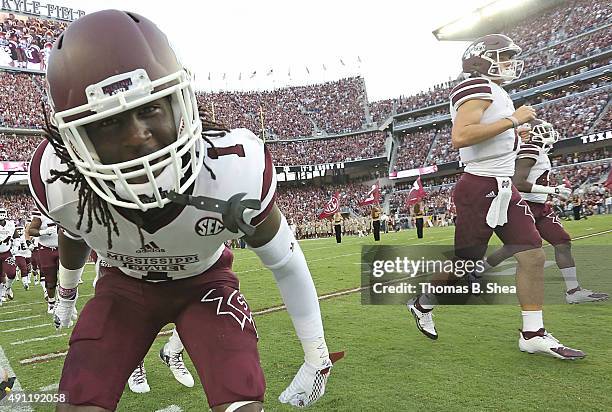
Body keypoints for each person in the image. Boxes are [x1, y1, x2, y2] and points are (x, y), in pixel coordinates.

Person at [29, 10, 337, 411]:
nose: (138, 135)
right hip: (124, 287)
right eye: (108, 123)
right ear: (75, 140)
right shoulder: (60, 180)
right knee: (78, 401)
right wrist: (67, 295)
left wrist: (316, 351)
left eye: (150, 108)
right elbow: (74, 234)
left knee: (242, 402)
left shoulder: (231, 171)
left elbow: (285, 261)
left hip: (205, 283)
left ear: (179, 102)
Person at [407, 34, 585, 359]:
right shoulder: (476, 86)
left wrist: (513, 132)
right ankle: (422, 303)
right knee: (464, 265)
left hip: (504, 186)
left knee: (532, 255)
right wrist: (514, 119)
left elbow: (490, 135)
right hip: (480, 185)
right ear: (481, 59)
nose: (509, 62)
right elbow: (461, 136)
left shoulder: (495, 90)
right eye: (502, 56)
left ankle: (532, 333)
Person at [476, 120, 608, 304]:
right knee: (514, 247)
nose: (548, 132)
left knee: (562, 242)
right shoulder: (530, 150)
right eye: (543, 130)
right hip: (523, 205)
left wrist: (550, 191)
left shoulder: (539, 151)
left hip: (540, 206)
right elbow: (518, 182)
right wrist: (552, 190)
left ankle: (573, 291)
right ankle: (478, 270)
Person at [27, 207, 60, 314]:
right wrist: (43, 232)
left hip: (63, 248)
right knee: (50, 280)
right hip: (46, 249)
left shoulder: (63, 208)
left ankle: (66, 302)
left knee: (67, 278)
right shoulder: (40, 211)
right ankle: (51, 303)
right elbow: (31, 230)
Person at [0, 208, 17, 303]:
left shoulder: (10, 224)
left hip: (7, 252)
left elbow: (16, 237)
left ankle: (8, 288)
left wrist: (15, 246)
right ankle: (1, 295)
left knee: (12, 273)